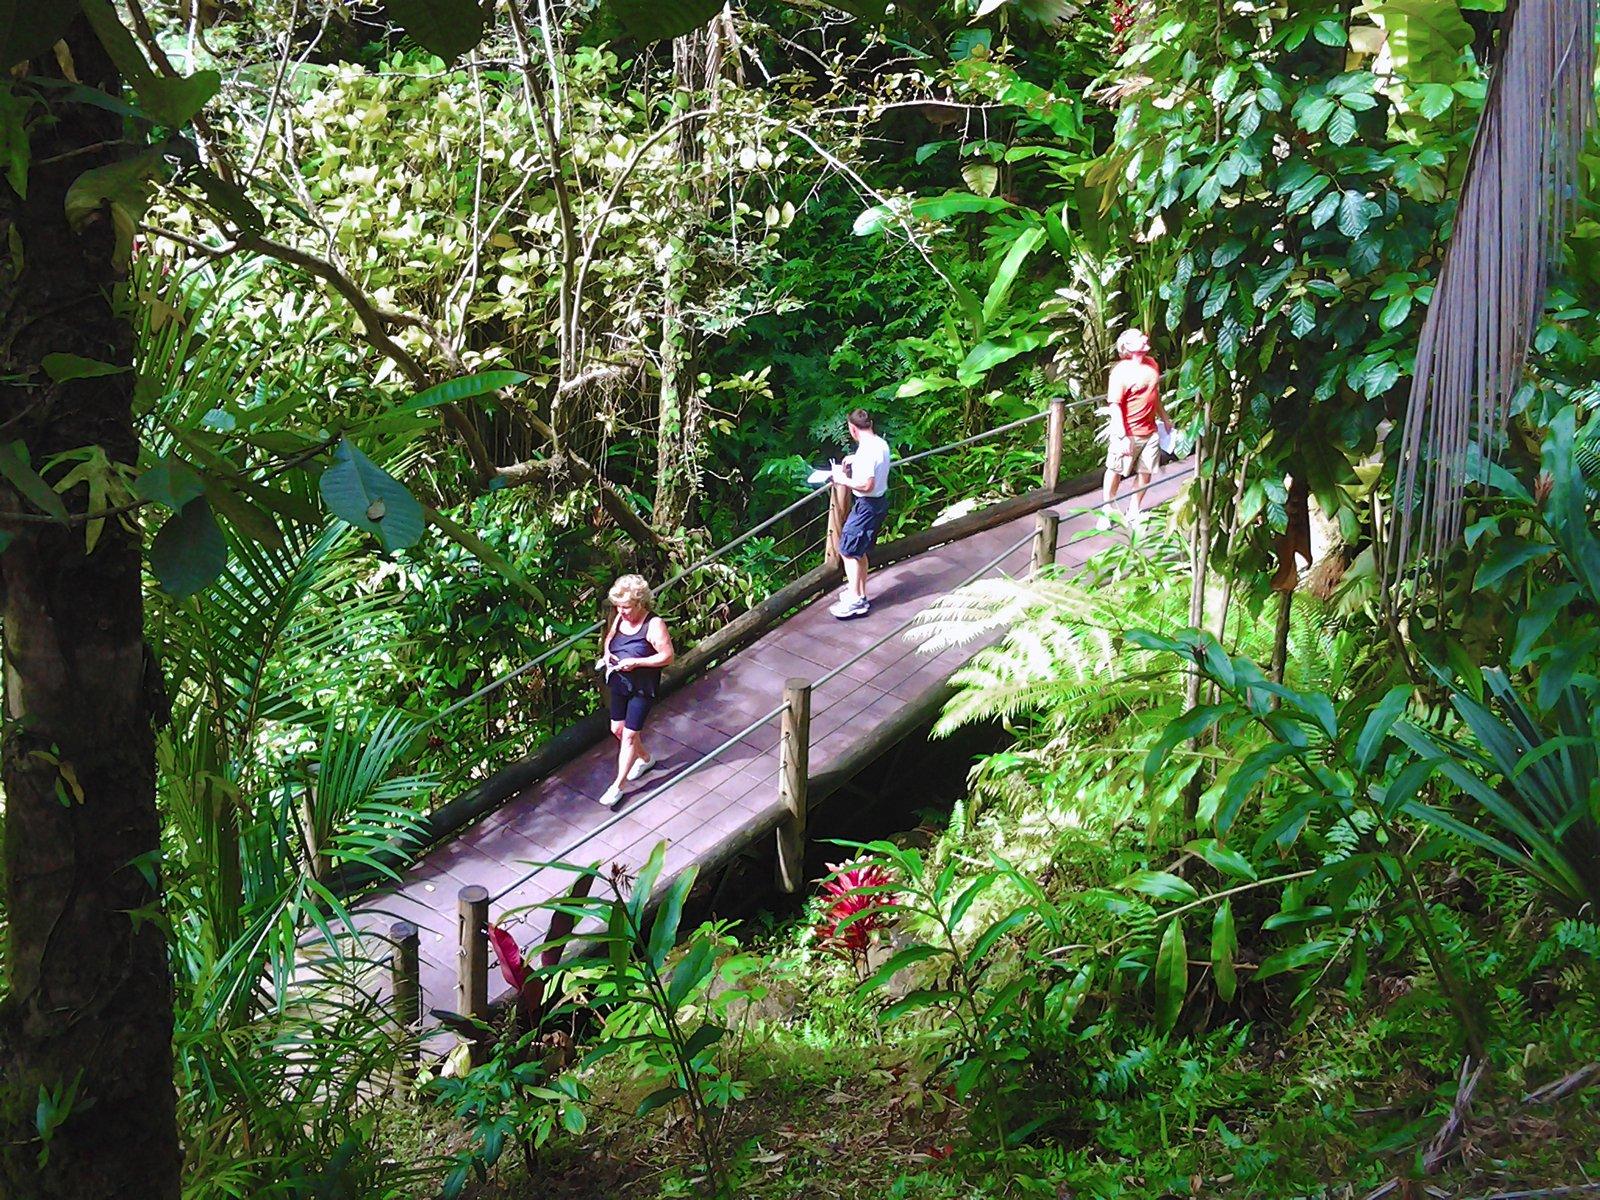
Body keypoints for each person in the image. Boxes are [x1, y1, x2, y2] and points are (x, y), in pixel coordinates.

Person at [597, 575, 675, 808]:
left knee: (630, 735)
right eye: (618, 607)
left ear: (640, 603)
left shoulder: (654, 624)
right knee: (618, 730)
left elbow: (668, 656)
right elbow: (610, 638)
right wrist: (607, 655)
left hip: (642, 687)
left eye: (627, 607)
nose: (622, 612)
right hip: (620, 683)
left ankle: (617, 786)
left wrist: (637, 663)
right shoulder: (619, 618)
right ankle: (646, 759)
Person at [1100, 327, 1172, 530]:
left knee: (1146, 471)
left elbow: (1154, 394)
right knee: (1115, 470)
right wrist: (1121, 436)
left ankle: (1134, 510)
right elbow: (1114, 405)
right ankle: (1108, 509)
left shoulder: (1152, 364)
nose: (1145, 337)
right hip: (1128, 432)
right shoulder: (1120, 373)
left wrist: (1164, 417)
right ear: (1128, 347)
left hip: (1150, 431)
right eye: (1139, 337)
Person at [829, 408, 892, 619]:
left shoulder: (866, 452)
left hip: (867, 505)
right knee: (859, 550)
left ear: (852, 429)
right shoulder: (879, 444)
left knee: (847, 550)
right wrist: (854, 459)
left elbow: (866, 484)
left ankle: (855, 600)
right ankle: (860, 594)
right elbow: (873, 464)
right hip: (878, 503)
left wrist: (842, 479)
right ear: (870, 424)